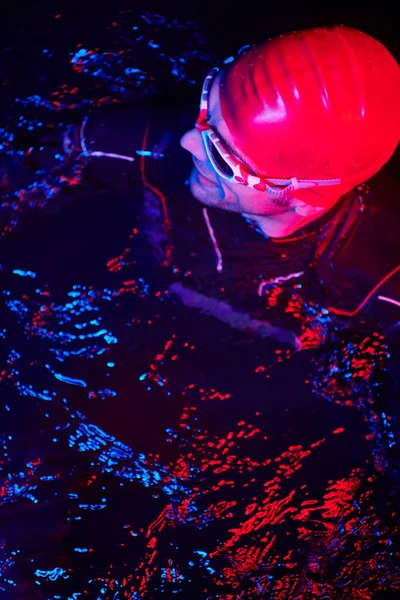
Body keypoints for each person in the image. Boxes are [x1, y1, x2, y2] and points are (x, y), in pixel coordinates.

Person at [1, 22, 400, 599]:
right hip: (106, 356)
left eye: (219, 150)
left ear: (299, 194)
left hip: (250, 446)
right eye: (207, 109)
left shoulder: (376, 282)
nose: (188, 140)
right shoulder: (136, 143)